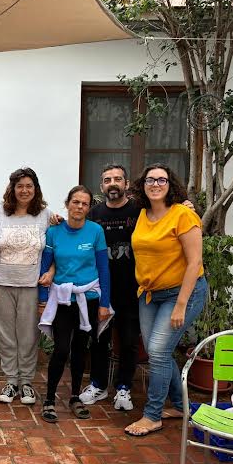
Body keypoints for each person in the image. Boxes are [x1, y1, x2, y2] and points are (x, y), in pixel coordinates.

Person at [124, 163, 207, 437]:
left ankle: (153, 415)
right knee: (158, 351)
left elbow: (195, 262)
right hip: (149, 294)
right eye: (150, 180)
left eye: (161, 180)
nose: (156, 184)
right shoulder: (142, 214)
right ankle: (183, 406)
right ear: (143, 185)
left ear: (170, 184)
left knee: (158, 352)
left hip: (182, 293)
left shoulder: (183, 215)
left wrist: (181, 305)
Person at [37, 185, 111, 423]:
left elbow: (103, 269)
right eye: (75, 202)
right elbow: (44, 267)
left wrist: (104, 303)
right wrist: (41, 298)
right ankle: (49, 399)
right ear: (67, 203)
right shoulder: (54, 232)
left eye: (85, 203)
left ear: (89, 208)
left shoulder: (95, 231)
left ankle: (75, 397)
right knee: (61, 349)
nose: (79, 207)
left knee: (81, 350)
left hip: (89, 299)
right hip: (62, 299)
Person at [0, 167, 52, 406]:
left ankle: (27, 383)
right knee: (6, 336)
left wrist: (50, 273)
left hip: (32, 287)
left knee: (29, 336)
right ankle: (11, 381)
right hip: (0, 286)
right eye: (19, 186)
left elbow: (56, 248)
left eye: (29, 186)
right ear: (12, 188)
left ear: (36, 189)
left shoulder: (45, 215)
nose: (24, 190)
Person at [86, 164, 142, 412]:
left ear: (126, 184)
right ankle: (98, 385)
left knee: (129, 341)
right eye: (107, 179)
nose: (113, 183)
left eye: (118, 179)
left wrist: (185, 206)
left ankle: (124, 388)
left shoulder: (140, 211)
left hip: (132, 289)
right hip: (101, 290)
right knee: (99, 340)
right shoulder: (94, 214)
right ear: (101, 186)